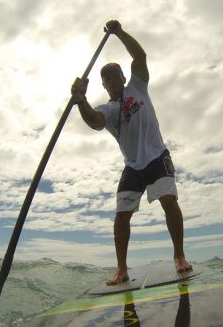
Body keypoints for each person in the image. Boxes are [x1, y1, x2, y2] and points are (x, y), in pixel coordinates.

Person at [71, 20, 193, 285]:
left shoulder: (138, 86)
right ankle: (122, 268)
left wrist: (120, 33)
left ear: (123, 78)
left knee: (169, 200)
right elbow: (94, 121)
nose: (112, 81)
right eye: (107, 79)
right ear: (103, 85)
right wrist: (81, 101)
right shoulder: (109, 109)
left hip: (157, 156)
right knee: (121, 215)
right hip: (133, 166)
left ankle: (179, 256)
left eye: (115, 75)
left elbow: (140, 55)